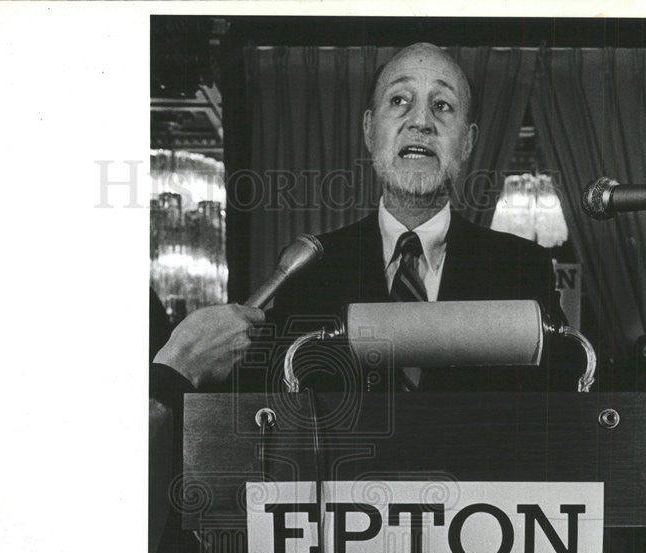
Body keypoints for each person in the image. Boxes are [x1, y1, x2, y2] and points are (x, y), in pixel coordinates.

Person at [150, 42, 583, 403]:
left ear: (466, 142)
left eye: (442, 106)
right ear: (370, 130)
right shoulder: (309, 269)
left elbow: (565, 406)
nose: (420, 121)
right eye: (400, 101)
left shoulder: (522, 267)